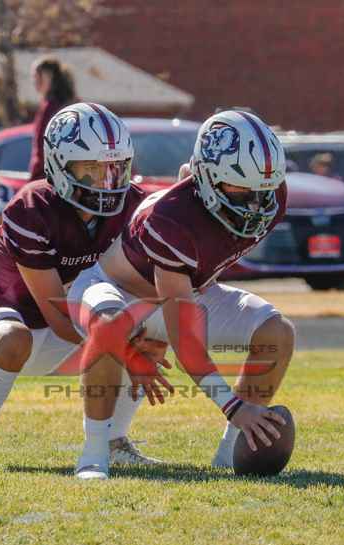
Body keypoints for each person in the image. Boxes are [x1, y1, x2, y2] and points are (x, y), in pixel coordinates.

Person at [0, 103, 163, 472]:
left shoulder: (132, 205)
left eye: (114, 168)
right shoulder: (33, 208)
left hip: (63, 334)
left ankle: (115, 440)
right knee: (15, 337)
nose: (105, 181)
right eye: (90, 169)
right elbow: (56, 315)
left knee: (150, 323)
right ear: (60, 166)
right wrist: (124, 347)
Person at [68, 110, 296, 480]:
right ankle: (94, 453)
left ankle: (230, 455)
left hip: (185, 288)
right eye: (240, 189)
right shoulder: (170, 219)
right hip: (117, 290)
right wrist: (233, 406)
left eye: (262, 191)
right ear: (206, 178)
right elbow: (185, 338)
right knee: (109, 326)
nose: (255, 204)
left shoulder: (274, 197)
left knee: (277, 332)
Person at [29, 56, 76, 181]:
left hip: (49, 176)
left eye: (36, 77)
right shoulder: (70, 103)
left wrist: (35, 177)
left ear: (48, 77)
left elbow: (42, 147)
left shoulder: (50, 107)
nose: (34, 82)